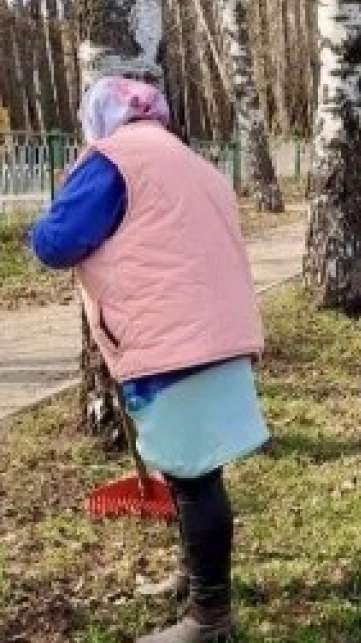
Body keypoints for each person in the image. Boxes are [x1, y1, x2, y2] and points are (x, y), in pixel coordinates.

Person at [28, 76, 269, 642]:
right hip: (220, 331)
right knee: (195, 468)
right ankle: (195, 579)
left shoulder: (112, 162)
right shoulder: (194, 161)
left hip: (170, 340)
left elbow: (57, 242)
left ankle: (209, 619)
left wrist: (40, 227)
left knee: (194, 478)